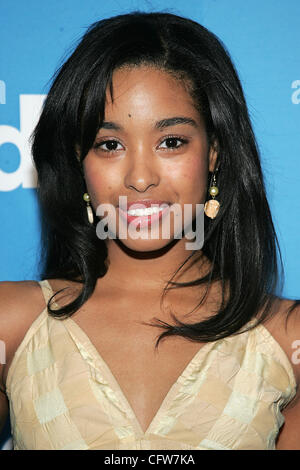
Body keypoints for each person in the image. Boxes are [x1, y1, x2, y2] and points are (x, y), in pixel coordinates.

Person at [0, 11, 299, 451]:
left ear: (214, 152)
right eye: (110, 145)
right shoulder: (12, 324)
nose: (141, 177)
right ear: (79, 162)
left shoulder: (286, 338)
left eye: (171, 141)